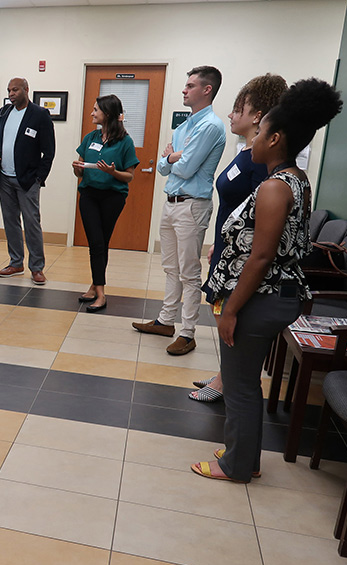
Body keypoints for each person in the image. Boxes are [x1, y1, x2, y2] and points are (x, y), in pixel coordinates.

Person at [191, 79, 342, 482]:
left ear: (274, 139)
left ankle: (236, 465)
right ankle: (245, 454)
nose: (254, 139)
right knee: (245, 382)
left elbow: (260, 258)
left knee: (239, 384)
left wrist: (231, 310)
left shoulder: (275, 187)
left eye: (260, 132)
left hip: (260, 299)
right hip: (272, 296)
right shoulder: (295, 178)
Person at [190, 74, 288, 402]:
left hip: (243, 256)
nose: (232, 115)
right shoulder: (245, 152)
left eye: (238, 109)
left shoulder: (260, 162)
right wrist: (219, 243)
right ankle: (224, 374)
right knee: (222, 312)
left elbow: (259, 216)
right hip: (228, 247)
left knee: (231, 317)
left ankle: (226, 381)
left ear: (257, 116)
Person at [132, 66, 226, 356]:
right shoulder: (184, 126)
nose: (184, 90)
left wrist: (172, 157)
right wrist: (174, 158)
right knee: (170, 267)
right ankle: (165, 320)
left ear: (207, 90)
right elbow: (162, 167)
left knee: (189, 271)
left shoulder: (210, 125)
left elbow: (182, 167)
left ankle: (188, 332)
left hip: (192, 206)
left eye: (190, 85)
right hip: (171, 202)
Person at [71, 95, 139, 312]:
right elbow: (79, 172)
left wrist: (112, 172)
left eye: (95, 110)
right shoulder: (90, 137)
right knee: (96, 243)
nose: (92, 113)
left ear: (107, 114)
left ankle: (95, 288)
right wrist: (77, 167)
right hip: (89, 195)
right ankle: (100, 292)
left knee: (101, 242)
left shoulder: (125, 142)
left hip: (113, 197)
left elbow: (129, 176)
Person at [0, 77, 55, 285]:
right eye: (9, 90)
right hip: (4, 177)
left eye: (15, 90)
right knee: (10, 221)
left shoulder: (40, 115)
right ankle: (16, 262)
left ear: (26, 90)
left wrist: (39, 178)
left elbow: (49, 151)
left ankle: (37, 267)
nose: (11, 94)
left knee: (32, 222)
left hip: (28, 180)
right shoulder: (3, 112)